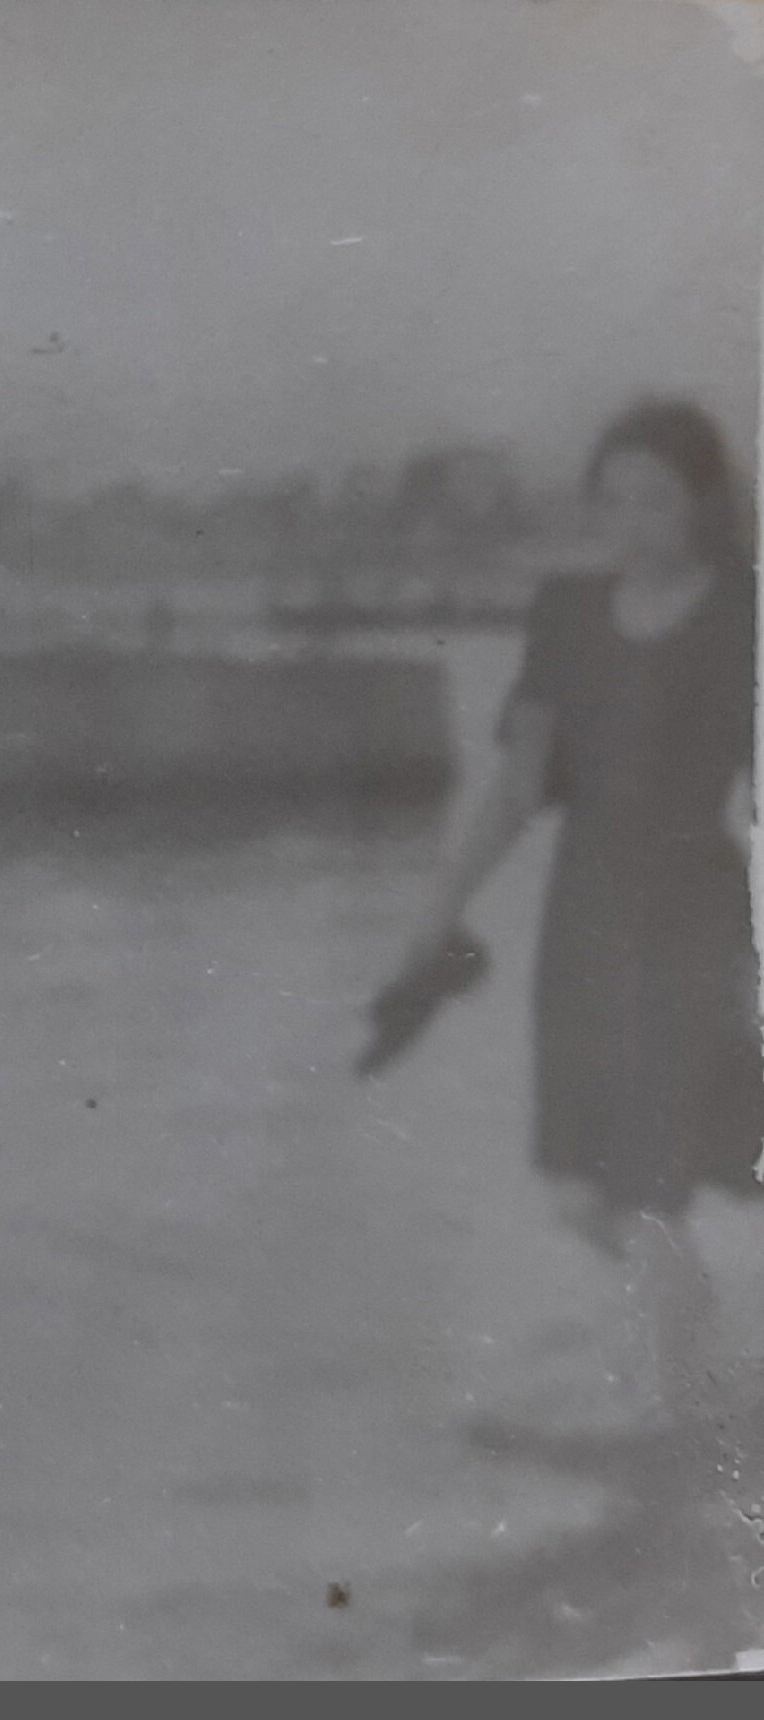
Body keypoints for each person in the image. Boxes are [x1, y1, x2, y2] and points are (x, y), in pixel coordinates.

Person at [386, 399, 760, 1436]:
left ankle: (664, 1415)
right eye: (614, 497)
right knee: (577, 1190)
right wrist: (439, 904)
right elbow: (516, 788)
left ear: (701, 503)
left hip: (695, 914)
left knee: (651, 1176)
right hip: (584, 916)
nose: (633, 520)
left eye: (657, 498)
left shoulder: (743, 613)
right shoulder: (565, 613)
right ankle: (696, 1342)